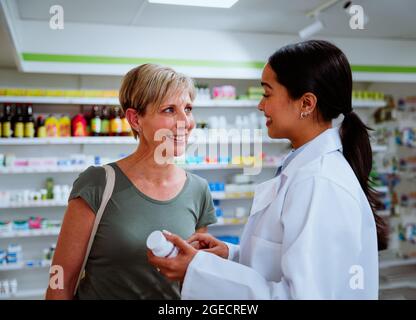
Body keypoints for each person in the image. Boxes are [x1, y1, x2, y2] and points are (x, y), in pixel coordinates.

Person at [147, 40, 388, 300]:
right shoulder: (302, 168)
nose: (261, 105)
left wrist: (199, 270)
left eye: (267, 93)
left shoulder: (318, 182)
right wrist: (231, 254)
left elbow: (300, 296)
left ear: (306, 103)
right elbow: (283, 261)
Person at [45, 64, 217, 299]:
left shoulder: (198, 189)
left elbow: (193, 280)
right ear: (135, 119)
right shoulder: (98, 184)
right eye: (169, 110)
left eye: (188, 108)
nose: (184, 122)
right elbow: (60, 281)